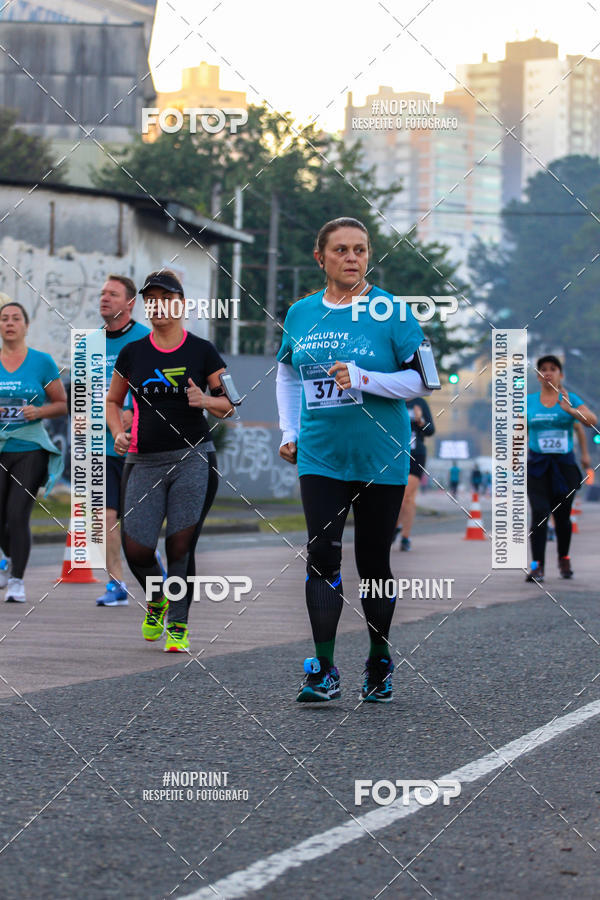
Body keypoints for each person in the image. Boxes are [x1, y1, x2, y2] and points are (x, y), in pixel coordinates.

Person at [276, 217, 430, 703]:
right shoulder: (301, 313)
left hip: (381, 455)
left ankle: (379, 659)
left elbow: (425, 381)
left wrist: (364, 377)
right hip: (320, 455)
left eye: (360, 250)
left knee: (373, 560)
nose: (352, 258)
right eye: (340, 250)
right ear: (320, 257)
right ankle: (323, 669)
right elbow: (287, 374)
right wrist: (289, 430)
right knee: (322, 553)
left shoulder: (393, 312)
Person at [106, 270, 233, 651]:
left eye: (166, 298)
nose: (158, 305)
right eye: (152, 299)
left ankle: (178, 624)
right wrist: (117, 431)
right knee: (137, 549)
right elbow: (113, 401)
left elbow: (229, 405)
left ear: (180, 304)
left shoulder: (202, 350)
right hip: (142, 460)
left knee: (180, 546)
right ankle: (157, 597)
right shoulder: (133, 353)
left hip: (193, 457)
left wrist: (206, 401)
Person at [0, 301, 66, 602]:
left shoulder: (41, 362)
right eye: (4, 319)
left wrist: (37, 412)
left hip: (30, 448)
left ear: (26, 326)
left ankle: (16, 581)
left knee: (17, 514)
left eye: (16, 318)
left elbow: (62, 404)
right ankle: (8, 559)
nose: (9, 323)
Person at [95, 275, 150, 607]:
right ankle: (116, 584)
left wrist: (132, 410)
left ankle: (147, 563)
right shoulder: (89, 343)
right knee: (103, 516)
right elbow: (82, 393)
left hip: (138, 445)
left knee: (136, 522)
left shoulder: (146, 339)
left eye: (112, 294)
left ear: (129, 303)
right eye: (102, 293)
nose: (105, 298)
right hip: (98, 445)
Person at [526, 355, 597, 582]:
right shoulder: (528, 401)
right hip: (537, 466)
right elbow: (518, 430)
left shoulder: (570, 398)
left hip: (564, 467)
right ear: (538, 376)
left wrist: (570, 410)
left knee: (562, 517)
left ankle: (564, 557)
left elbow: (591, 419)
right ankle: (537, 566)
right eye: (543, 369)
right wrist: (513, 456)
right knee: (538, 513)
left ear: (561, 374)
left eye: (553, 369)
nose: (548, 373)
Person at [393, 397, 435, 551]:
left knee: (407, 496)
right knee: (400, 497)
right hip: (395, 454)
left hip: (416, 454)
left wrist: (420, 420)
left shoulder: (420, 402)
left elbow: (430, 430)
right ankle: (396, 528)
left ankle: (405, 537)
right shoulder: (393, 399)